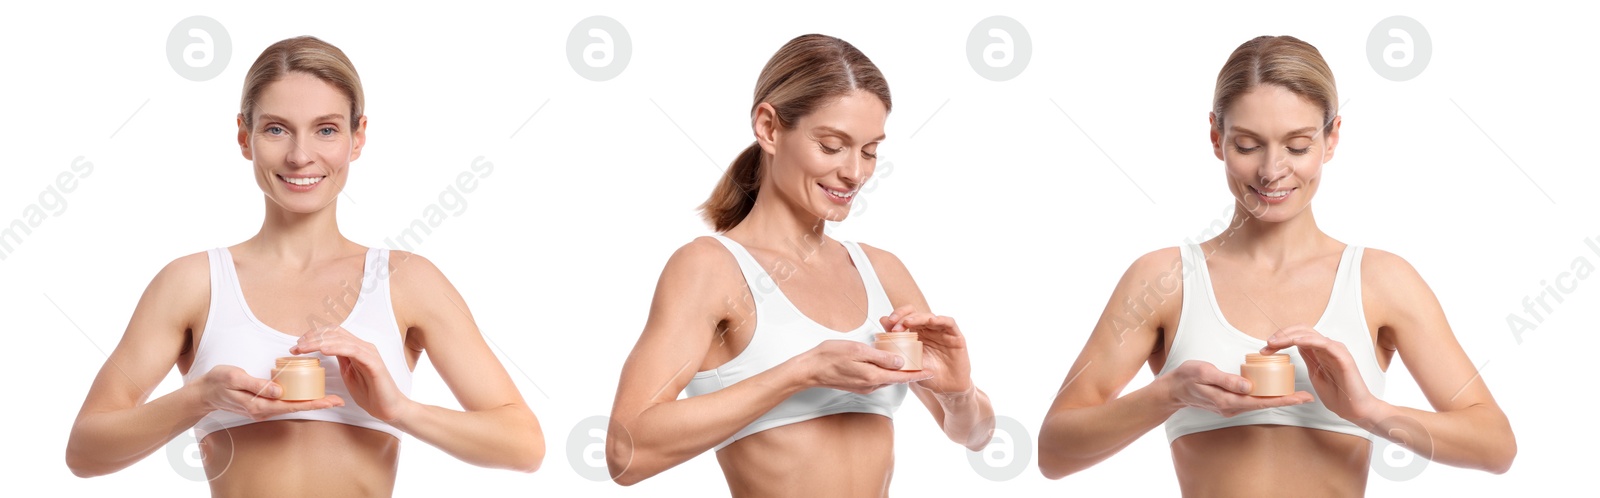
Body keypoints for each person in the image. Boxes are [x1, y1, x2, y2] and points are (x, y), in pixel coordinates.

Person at [65, 36, 543, 496]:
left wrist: (398, 409)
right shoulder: (192, 283)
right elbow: (85, 451)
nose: (299, 155)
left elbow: (523, 445)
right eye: (276, 129)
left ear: (357, 138)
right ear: (244, 136)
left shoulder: (406, 280)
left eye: (326, 129)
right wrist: (201, 396)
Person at [1037, 35, 1515, 496]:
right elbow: (1054, 452)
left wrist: (1367, 411)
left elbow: (1495, 446)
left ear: (1331, 139)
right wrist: (1168, 394)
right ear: (1215, 136)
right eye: (1247, 145)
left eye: (1298, 145)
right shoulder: (1163, 281)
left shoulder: (1381, 281)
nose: (1271, 170)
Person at [605, 34, 994, 497]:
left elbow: (973, 435)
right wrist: (801, 372)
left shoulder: (882, 270)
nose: (856, 172)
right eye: (832, 146)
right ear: (769, 127)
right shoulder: (711, 268)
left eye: (870, 150)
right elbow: (625, 453)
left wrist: (958, 391)